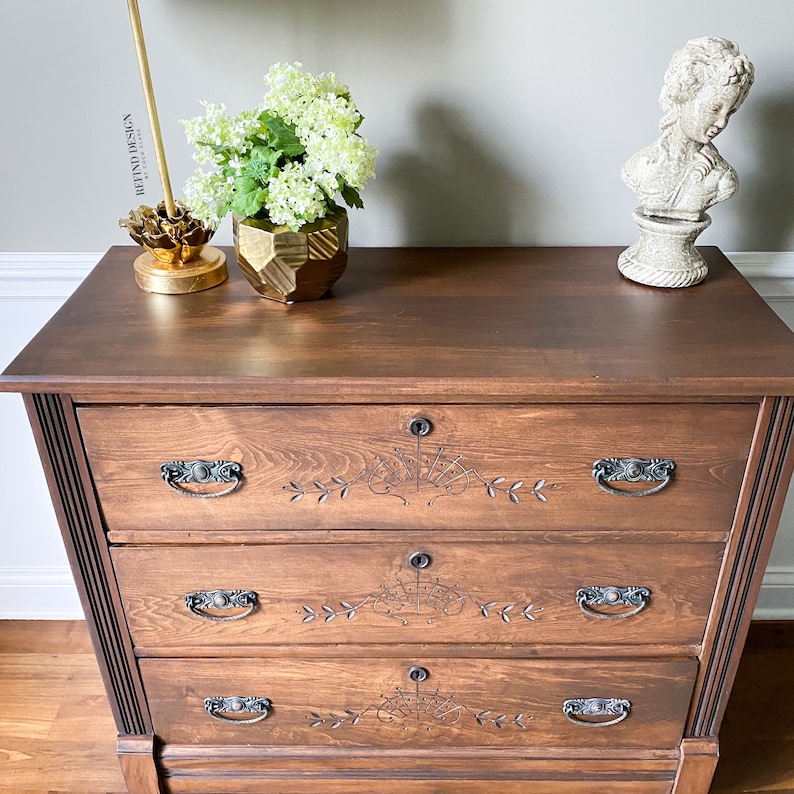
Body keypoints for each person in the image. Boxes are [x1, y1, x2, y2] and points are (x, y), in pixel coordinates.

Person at [621, 37, 754, 222]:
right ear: (683, 98)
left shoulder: (722, 178)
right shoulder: (638, 166)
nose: (722, 123)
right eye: (715, 109)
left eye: (730, 113)